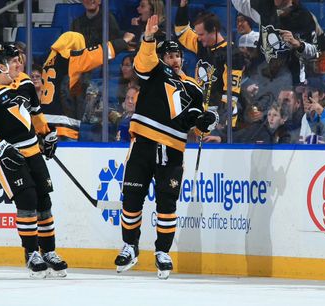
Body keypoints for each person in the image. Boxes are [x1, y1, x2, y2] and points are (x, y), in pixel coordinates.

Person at [114, 15, 218, 279]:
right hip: (143, 145)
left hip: (171, 151)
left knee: (167, 203)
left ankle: (162, 251)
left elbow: (193, 121)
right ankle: (130, 245)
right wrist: (148, 39)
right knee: (132, 199)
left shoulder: (193, 87)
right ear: (161, 58)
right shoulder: (152, 72)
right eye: (170, 55)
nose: (175, 59)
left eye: (178, 55)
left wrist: (205, 122)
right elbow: (142, 62)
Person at [0, 43, 67, 278]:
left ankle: (49, 251)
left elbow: (35, 112)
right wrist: (0, 147)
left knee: (44, 200)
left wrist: (46, 134)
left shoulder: (24, 82)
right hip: (8, 157)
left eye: (18, 59)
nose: (19, 63)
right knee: (27, 199)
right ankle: (32, 253)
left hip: (32, 150)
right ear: (1, 66)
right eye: (13, 61)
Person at [40, 31, 134, 141]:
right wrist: (123, 42)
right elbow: (100, 53)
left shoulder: (48, 63)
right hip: (62, 127)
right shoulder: (70, 59)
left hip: (44, 124)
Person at [176, 0, 245, 130]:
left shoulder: (231, 54)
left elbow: (231, 94)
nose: (199, 38)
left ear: (214, 30)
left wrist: (221, 124)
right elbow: (181, 32)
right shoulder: (201, 45)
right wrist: (183, 7)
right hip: (201, 112)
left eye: (201, 34)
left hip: (218, 118)